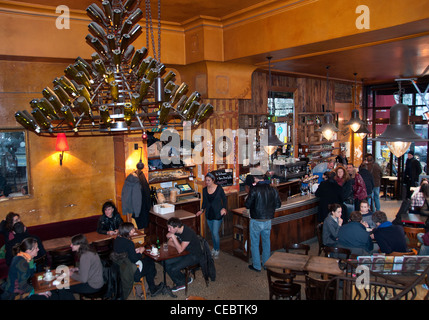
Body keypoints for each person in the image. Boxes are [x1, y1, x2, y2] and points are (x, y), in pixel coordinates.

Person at [1, 238, 74, 300]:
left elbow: (31, 274)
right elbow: (22, 286)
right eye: (36, 248)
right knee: (51, 295)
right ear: (29, 251)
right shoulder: (22, 263)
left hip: (24, 288)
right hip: (16, 294)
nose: (38, 249)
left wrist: (32, 262)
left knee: (51, 291)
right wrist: (38, 291)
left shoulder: (25, 258)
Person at [244, 171, 281, 272]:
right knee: (266, 242)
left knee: (255, 243)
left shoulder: (254, 190)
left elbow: (247, 205)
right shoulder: (273, 189)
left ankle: (256, 265)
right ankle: (266, 264)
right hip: (268, 220)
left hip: (256, 219)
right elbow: (278, 205)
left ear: (255, 178)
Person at [113, 222, 163, 297]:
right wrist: (140, 252)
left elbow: (125, 253)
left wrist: (134, 251)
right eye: (133, 229)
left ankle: (146, 287)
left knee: (148, 261)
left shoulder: (117, 240)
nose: (134, 230)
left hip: (121, 268)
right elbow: (134, 259)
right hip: (131, 270)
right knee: (150, 264)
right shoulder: (129, 243)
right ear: (129, 232)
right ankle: (152, 289)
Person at [165, 217, 203, 292]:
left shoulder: (187, 232)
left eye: (170, 228)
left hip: (194, 255)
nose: (168, 230)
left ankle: (181, 283)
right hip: (185, 252)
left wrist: (173, 238)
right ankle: (185, 279)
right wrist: (178, 245)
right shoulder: (176, 230)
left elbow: (180, 250)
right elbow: (169, 243)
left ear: (176, 227)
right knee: (166, 262)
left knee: (173, 268)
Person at [196, 172, 227, 259]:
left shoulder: (219, 189)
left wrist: (224, 208)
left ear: (213, 180)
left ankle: (217, 249)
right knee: (212, 233)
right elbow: (204, 202)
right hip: (209, 213)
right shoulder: (204, 190)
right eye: (206, 180)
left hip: (218, 213)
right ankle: (214, 247)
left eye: (209, 180)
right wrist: (201, 210)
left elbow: (224, 199)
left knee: (215, 232)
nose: (207, 182)